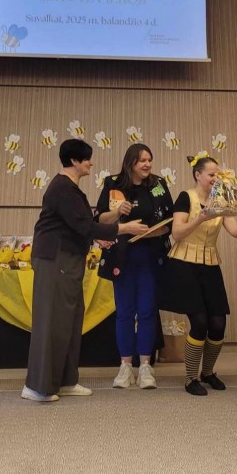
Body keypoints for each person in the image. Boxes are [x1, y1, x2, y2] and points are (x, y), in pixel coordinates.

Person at [23, 139, 148, 402]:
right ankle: (38, 386)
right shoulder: (63, 188)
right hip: (55, 259)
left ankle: (65, 380)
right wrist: (123, 228)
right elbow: (85, 226)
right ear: (74, 161)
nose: (91, 163)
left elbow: (80, 225)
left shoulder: (70, 188)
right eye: (87, 159)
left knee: (69, 320)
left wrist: (101, 235)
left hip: (68, 260)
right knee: (52, 322)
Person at [159, 155, 237, 395]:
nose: (215, 178)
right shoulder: (186, 197)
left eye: (218, 174)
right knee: (200, 322)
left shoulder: (222, 197)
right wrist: (201, 217)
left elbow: (235, 231)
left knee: (218, 324)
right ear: (198, 175)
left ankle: (208, 372)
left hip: (210, 265)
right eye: (211, 174)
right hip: (184, 265)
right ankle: (191, 377)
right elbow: (177, 233)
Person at [95, 143, 174, 390]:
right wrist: (118, 212)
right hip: (122, 257)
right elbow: (100, 219)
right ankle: (125, 366)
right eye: (142, 160)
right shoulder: (113, 183)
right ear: (130, 162)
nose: (147, 164)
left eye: (149, 159)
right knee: (125, 312)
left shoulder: (159, 184)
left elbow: (170, 220)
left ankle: (146, 366)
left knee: (148, 311)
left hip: (151, 256)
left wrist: (151, 233)